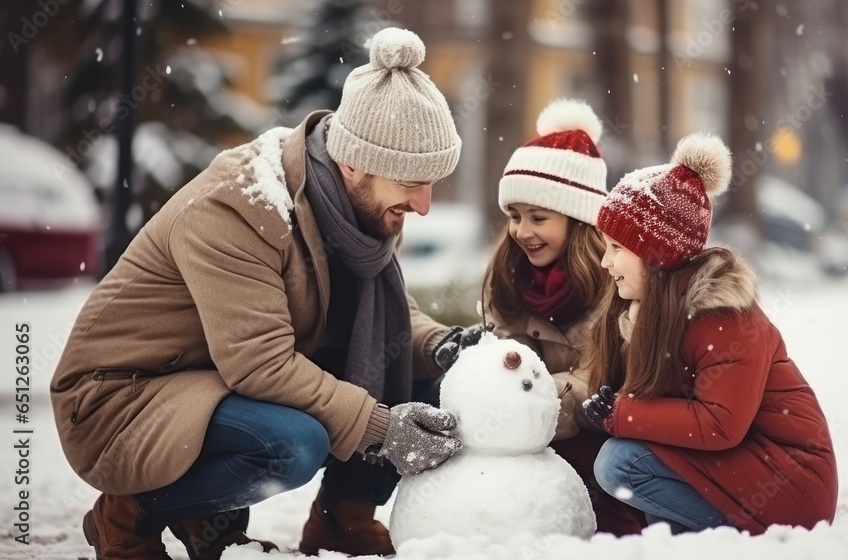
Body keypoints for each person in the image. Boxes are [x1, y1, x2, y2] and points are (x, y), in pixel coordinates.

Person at [50, 28, 464, 560]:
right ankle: (130, 510)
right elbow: (259, 363)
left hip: (210, 381)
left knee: (433, 382)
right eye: (412, 181)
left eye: (434, 183)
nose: (424, 205)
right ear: (354, 161)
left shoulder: (350, 205)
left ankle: (342, 521)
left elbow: (378, 315)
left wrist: (443, 347)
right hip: (120, 396)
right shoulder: (240, 207)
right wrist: (381, 427)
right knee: (293, 444)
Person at [581, 132, 838, 535]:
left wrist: (621, 414)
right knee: (628, 457)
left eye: (616, 247)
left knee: (621, 463)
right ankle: (681, 544)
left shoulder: (723, 317)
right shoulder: (648, 314)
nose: (603, 261)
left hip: (791, 483)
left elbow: (719, 423)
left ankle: (721, 542)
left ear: (655, 253)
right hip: (746, 468)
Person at [476, 98, 647, 535]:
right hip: (539, 437)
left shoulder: (617, 287)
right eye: (513, 216)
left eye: (538, 217)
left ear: (579, 221)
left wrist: (533, 398)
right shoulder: (511, 280)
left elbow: (606, 380)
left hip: (599, 437)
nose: (521, 231)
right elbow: (506, 354)